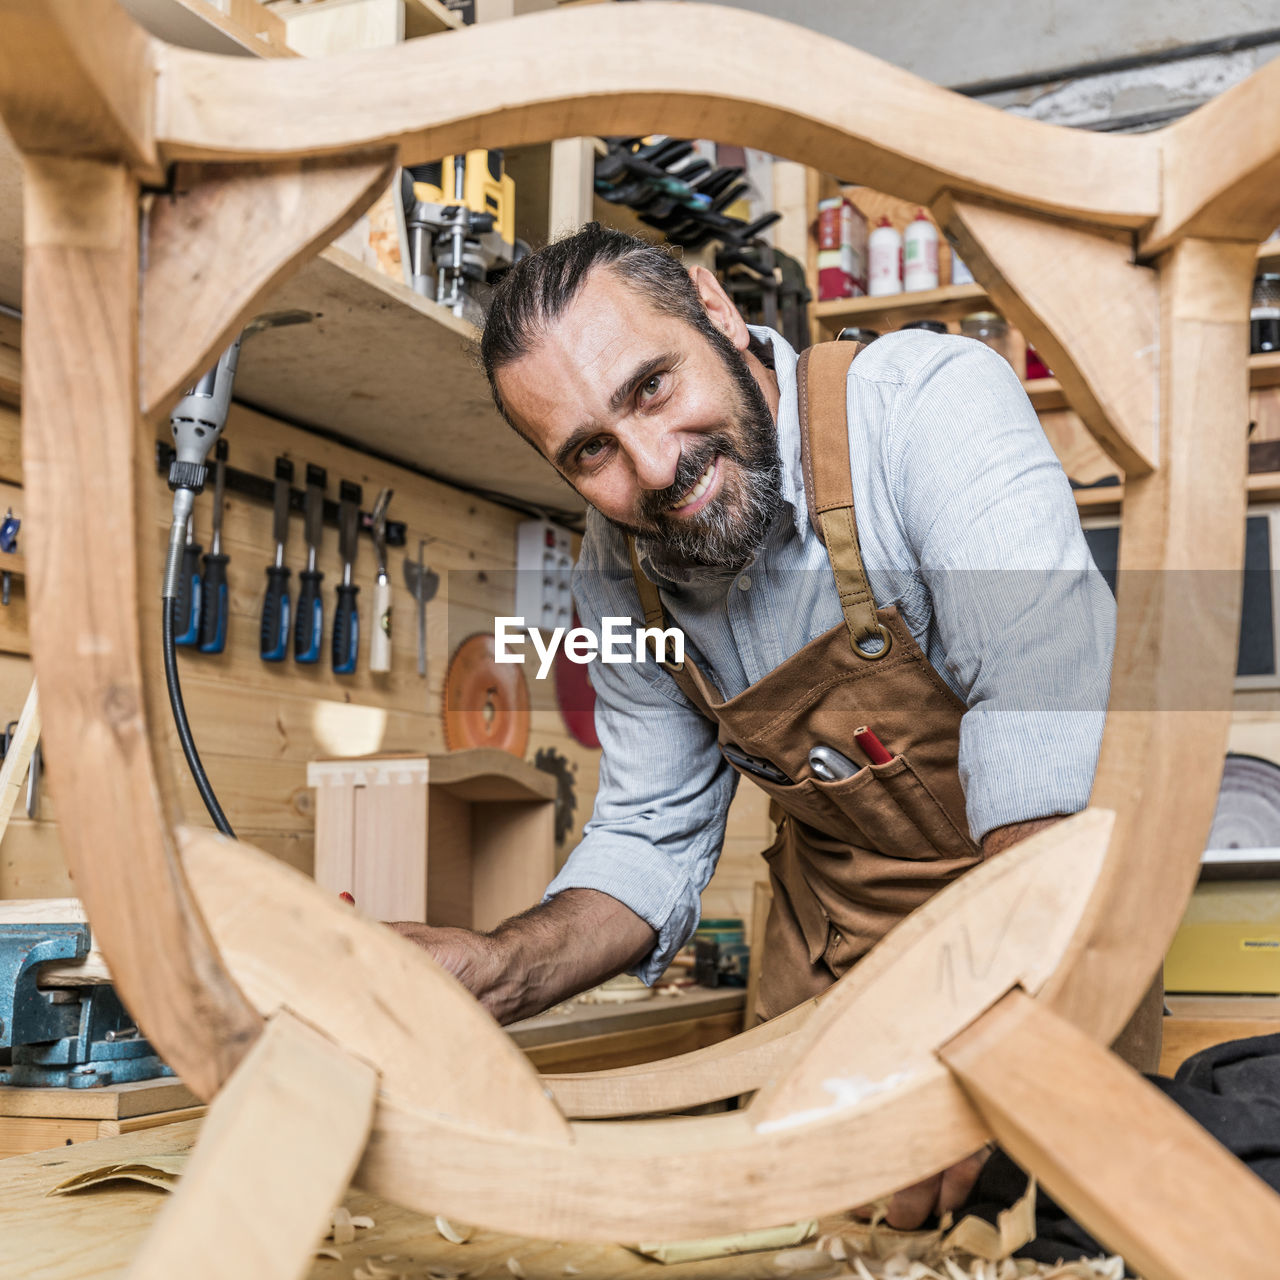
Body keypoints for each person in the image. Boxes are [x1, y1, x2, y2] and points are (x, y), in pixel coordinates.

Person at [392, 223, 1118, 1227]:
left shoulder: (924, 405)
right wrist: (501, 970)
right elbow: (648, 831)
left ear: (715, 309)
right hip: (826, 974)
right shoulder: (619, 569)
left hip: (1039, 934)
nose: (651, 466)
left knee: (1073, 1230)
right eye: (589, 451)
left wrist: (984, 1022)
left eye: (650, 386)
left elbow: (1040, 723)